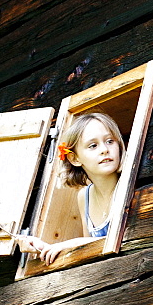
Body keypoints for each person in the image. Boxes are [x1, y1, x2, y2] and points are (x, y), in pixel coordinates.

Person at [19, 112, 124, 264]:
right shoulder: (84, 197)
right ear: (75, 158)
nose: (104, 149)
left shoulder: (128, 184)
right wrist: (46, 248)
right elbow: (90, 251)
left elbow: (126, 237)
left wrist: (70, 244)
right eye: (93, 145)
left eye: (110, 141)